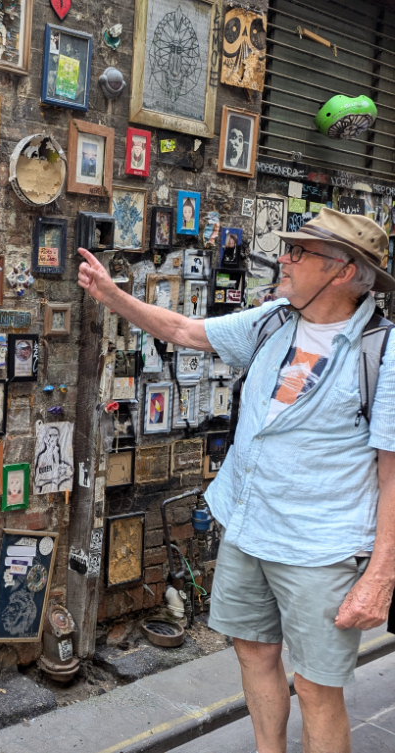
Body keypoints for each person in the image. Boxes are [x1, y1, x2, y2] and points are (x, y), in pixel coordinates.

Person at [76, 207, 395, 753]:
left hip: (319, 547)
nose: (284, 260)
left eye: (300, 253)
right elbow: (182, 329)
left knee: (318, 687)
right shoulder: (272, 321)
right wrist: (112, 296)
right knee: (253, 652)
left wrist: (380, 576)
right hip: (249, 530)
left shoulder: (382, 353)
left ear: (342, 272)